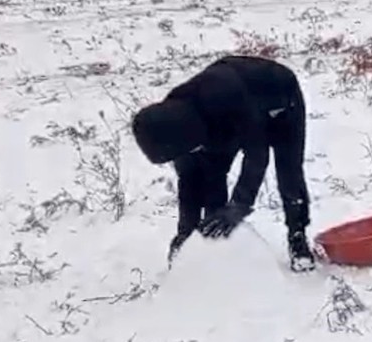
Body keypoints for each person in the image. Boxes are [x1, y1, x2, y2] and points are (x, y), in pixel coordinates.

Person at [131, 55, 315, 271]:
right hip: (226, 118)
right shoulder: (173, 125)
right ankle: (215, 249)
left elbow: (257, 155)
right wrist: (185, 232)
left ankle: (297, 237)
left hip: (280, 100)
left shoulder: (223, 95)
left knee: (289, 172)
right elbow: (189, 179)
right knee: (211, 173)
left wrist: (238, 205)